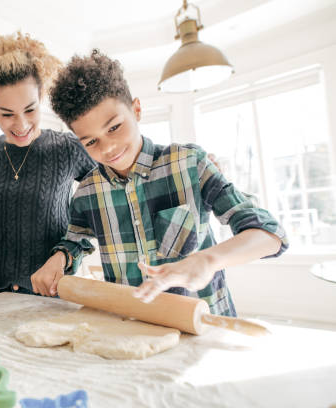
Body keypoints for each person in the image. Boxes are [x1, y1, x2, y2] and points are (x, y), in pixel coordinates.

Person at [31, 50, 288, 316]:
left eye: (114, 127)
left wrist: (208, 260)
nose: (109, 148)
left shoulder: (191, 164)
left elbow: (269, 235)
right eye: (91, 142)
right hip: (133, 329)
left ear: (137, 109)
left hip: (206, 325)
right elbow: (76, 241)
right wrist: (59, 259)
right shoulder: (87, 193)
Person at [0, 32, 96, 298]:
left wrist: (66, 255)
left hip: (51, 297)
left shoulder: (66, 148)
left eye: (30, 110)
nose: (20, 125)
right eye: (6, 114)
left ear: (41, 95)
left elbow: (105, 207)